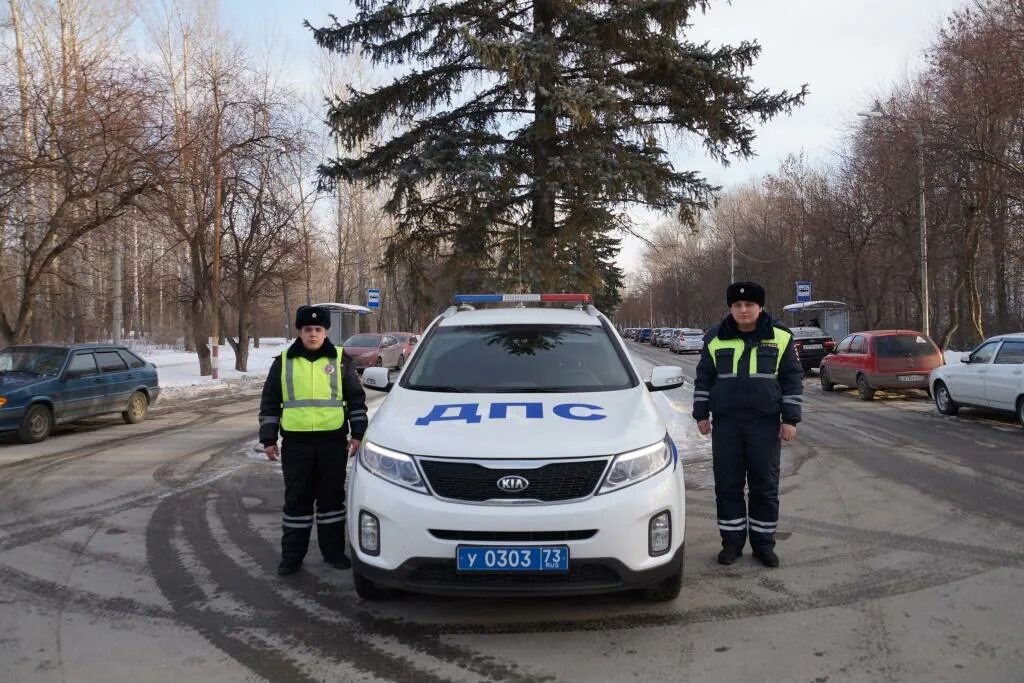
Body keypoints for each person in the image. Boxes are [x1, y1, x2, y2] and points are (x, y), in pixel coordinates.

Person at [692, 282, 803, 568]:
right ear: (730, 308)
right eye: (738, 305)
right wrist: (701, 414)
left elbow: (792, 379)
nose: (743, 310)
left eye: (749, 305)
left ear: (760, 307)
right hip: (727, 425)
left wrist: (790, 419)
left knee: (764, 486)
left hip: (764, 425)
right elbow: (704, 378)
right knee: (727, 486)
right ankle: (731, 543)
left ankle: (764, 545)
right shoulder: (715, 338)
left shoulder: (780, 337)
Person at [259, 305, 368, 575]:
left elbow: (356, 400)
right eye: (308, 329)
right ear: (300, 331)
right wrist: (268, 439)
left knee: (332, 500)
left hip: (332, 443)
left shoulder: (341, 361)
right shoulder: (283, 362)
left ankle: (333, 553)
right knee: (297, 501)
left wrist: (358, 434)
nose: (313, 334)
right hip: (297, 445)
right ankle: (292, 557)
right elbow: (270, 404)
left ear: (325, 331)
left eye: (318, 329)